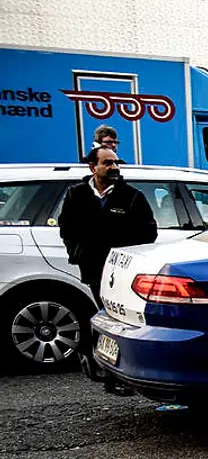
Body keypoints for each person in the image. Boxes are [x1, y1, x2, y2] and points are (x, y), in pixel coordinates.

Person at [58, 146, 157, 393]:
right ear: (93, 167)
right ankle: (108, 370)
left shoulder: (131, 196)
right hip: (93, 269)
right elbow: (66, 228)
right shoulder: (76, 194)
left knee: (119, 322)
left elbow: (148, 232)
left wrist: (127, 256)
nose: (114, 167)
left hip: (121, 272)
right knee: (104, 319)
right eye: (108, 163)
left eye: (116, 163)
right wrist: (77, 253)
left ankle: (118, 375)